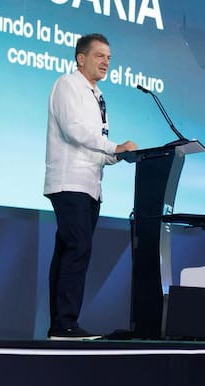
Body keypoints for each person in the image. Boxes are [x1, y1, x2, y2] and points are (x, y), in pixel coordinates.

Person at [44, 33, 138, 340]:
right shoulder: (68, 85)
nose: (106, 62)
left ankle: (60, 324)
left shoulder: (97, 95)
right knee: (77, 249)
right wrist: (114, 147)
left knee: (69, 250)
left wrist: (118, 156)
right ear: (80, 58)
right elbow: (74, 131)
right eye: (99, 56)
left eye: (109, 57)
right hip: (70, 181)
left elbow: (95, 146)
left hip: (90, 186)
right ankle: (65, 324)